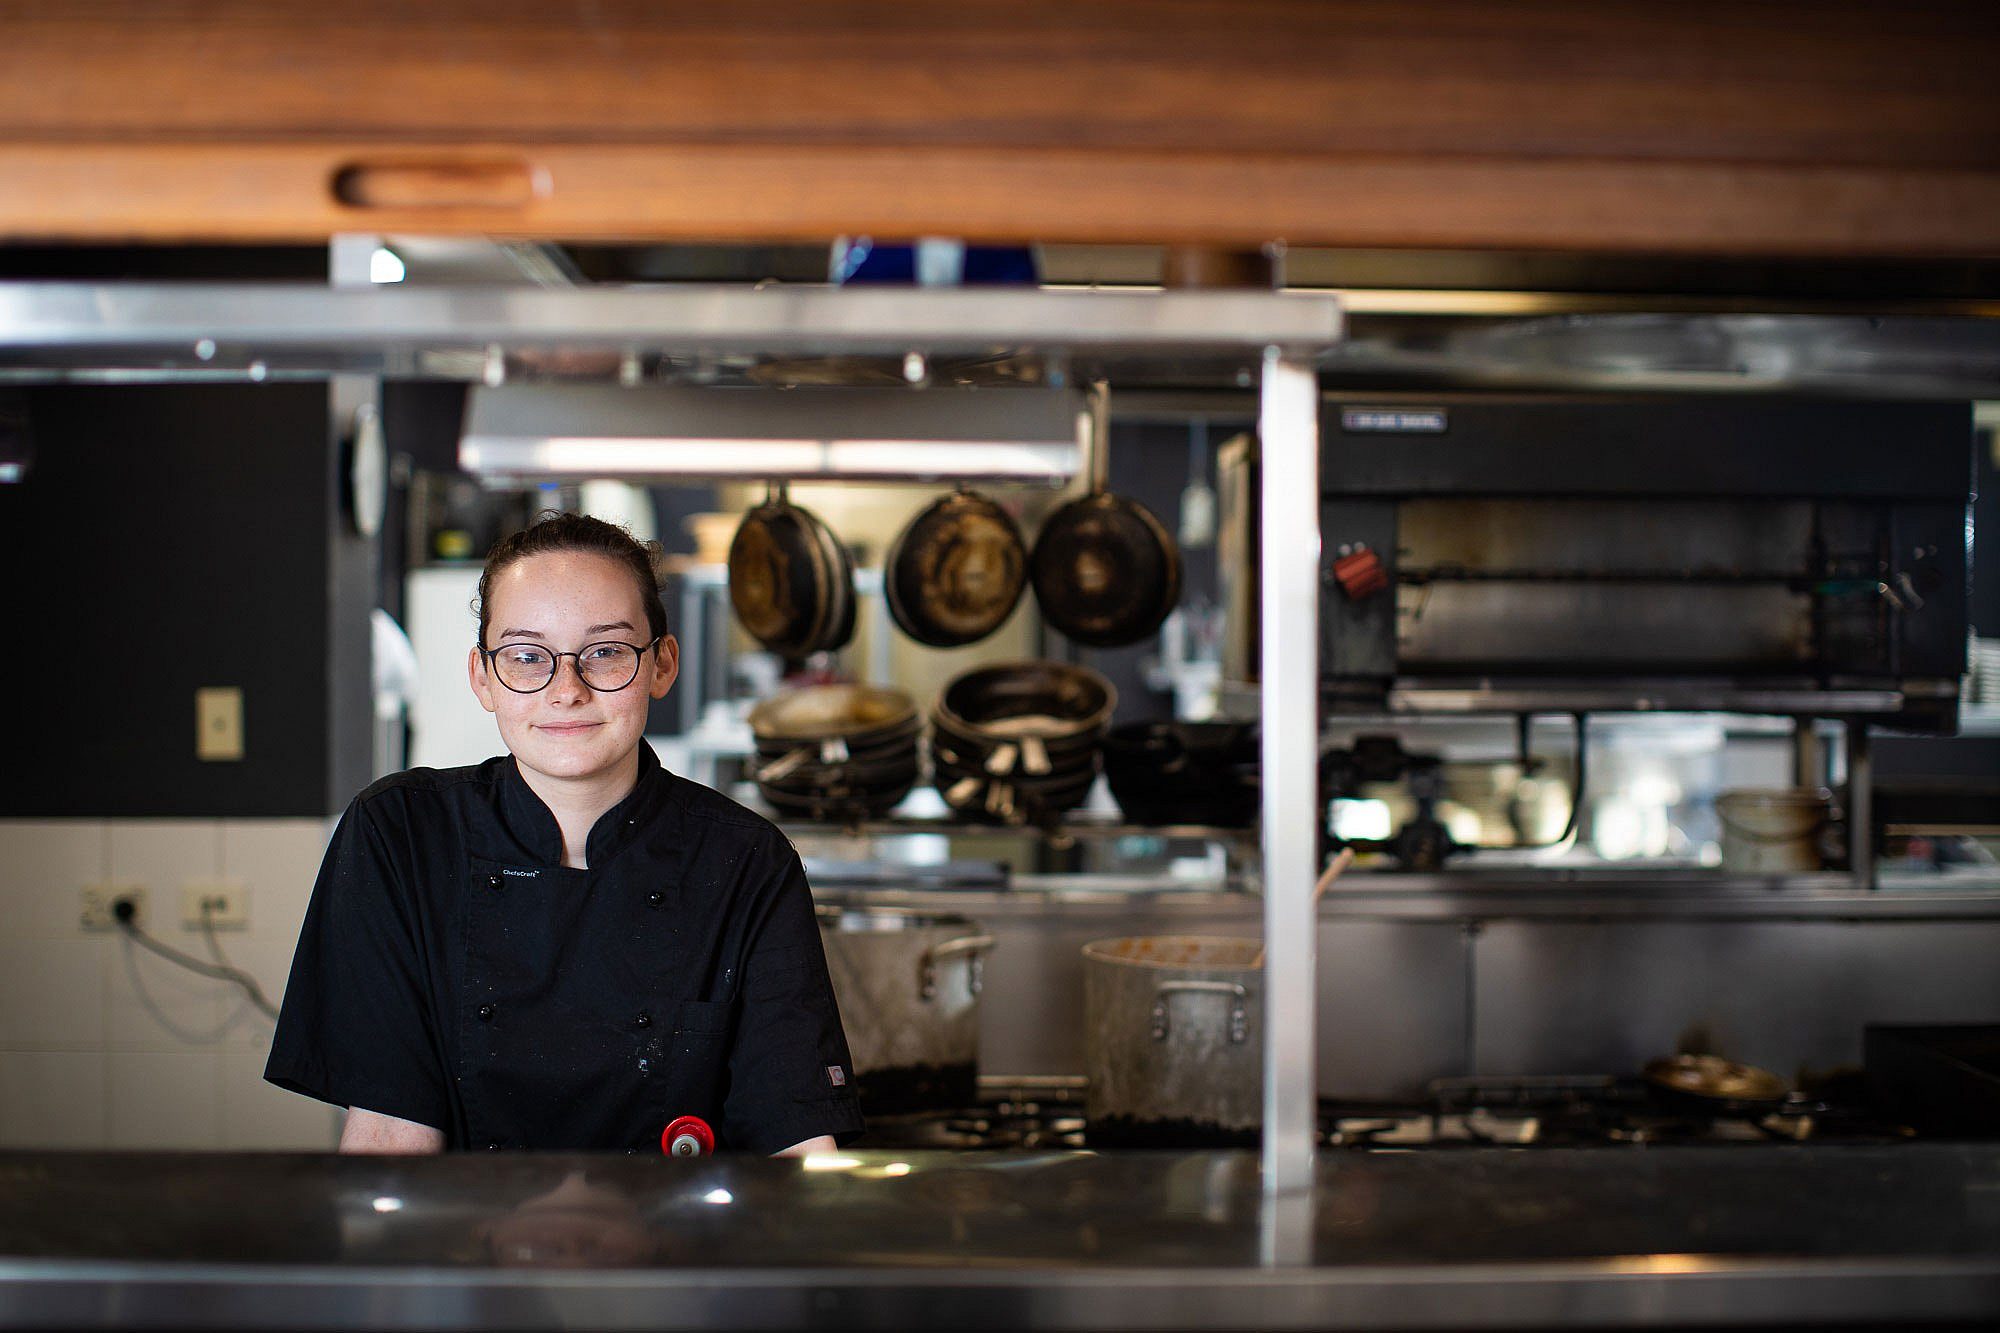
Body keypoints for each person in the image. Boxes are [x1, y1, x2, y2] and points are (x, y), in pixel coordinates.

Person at [266, 512, 864, 1155]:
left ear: (662, 665)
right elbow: (390, 1131)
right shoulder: (402, 836)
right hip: (460, 1242)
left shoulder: (745, 860)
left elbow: (795, 1140)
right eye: (527, 657)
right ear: (483, 676)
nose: (566, 690)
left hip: (681, 1249)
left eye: (605, 652)